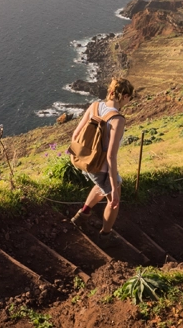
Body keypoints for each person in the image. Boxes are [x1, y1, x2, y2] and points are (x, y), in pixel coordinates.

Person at [70, 77, 135, 244]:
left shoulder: (95, 106)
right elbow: (110, 157)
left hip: (86, 162)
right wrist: (114, 187)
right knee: (114, 201)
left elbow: (75, 135)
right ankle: (105, 236)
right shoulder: (117, 119)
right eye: (130, 97)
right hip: (102, 168)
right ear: (125, 96)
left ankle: (82, 215)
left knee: (99, 186)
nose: (130, 101)